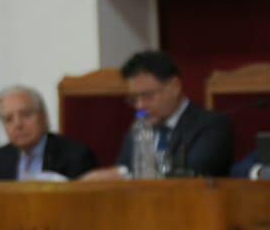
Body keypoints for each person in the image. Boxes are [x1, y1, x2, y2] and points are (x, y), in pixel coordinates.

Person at [81, 50, 234, 179]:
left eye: (148, 96)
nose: (140, 106)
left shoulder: (211, 125)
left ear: (175, 87)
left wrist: (124, 175)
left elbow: (193, 174)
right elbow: (124, 165)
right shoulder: (138, 127)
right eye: (133, 99)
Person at [0, 85, 97, 180]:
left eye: (26, 115)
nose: (18, 125)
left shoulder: (76, 156)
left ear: (44, 117)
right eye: (8, 119)